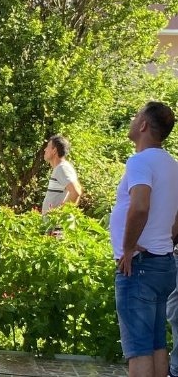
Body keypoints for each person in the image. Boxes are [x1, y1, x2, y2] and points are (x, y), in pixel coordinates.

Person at [111, 102, 178, 377]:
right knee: (156, 344)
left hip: (139, 266)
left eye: (136, 115)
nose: (132, 119)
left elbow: (140, 206)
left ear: (143, 125)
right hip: (163, 264)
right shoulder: (172, 164)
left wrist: (127, 247)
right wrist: (166, 238)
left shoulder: (139, 161)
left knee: (139, 349)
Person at [40, 135, 82, 215]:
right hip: (54, 225)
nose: (45, 149)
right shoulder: (61, 168)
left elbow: (76, 191)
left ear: (54, 150)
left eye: (48, 147)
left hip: (57, 226)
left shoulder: (62, 168)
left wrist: (61, 214)